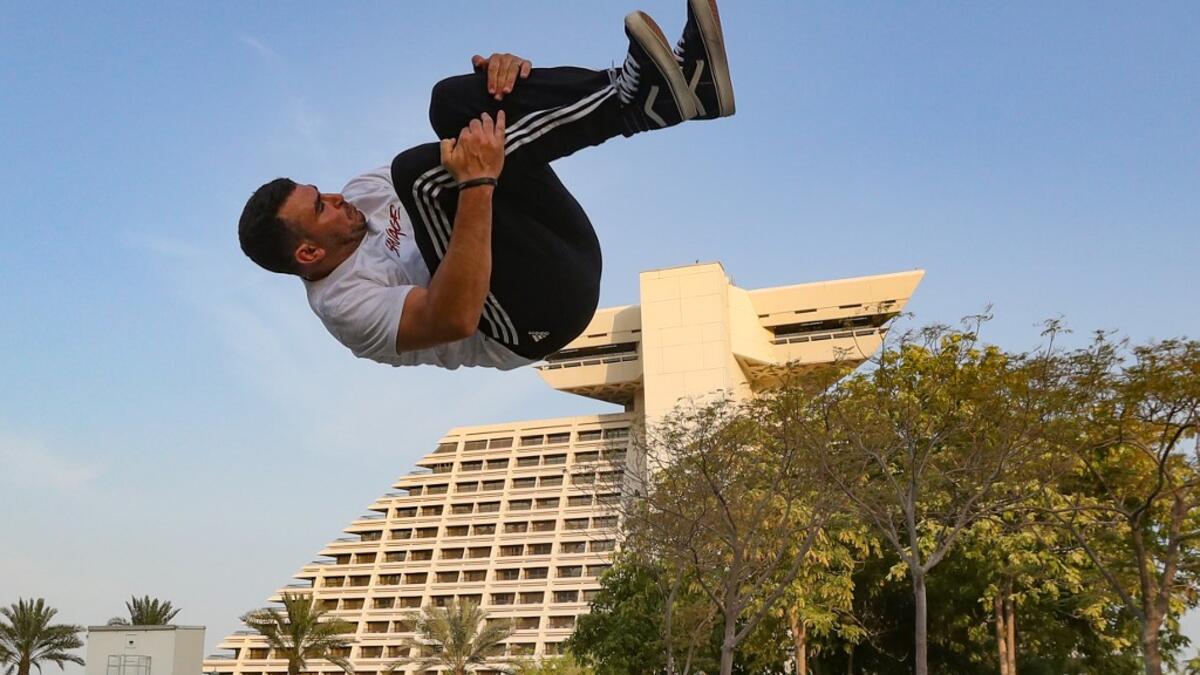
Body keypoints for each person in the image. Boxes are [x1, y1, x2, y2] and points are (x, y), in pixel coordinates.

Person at [237, 0, 734, 370]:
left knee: (453, 103)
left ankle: (669, 90)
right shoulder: (344, 306)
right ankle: (646, 105)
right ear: (308, 253)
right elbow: (453, 317)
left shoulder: (362, 191)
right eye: (319, 208)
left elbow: (472, 147)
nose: (335, 197)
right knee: (419, 174)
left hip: (562, 243)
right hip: (537, 317)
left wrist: (505, 93)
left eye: (320, 191)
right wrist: (477, 182)